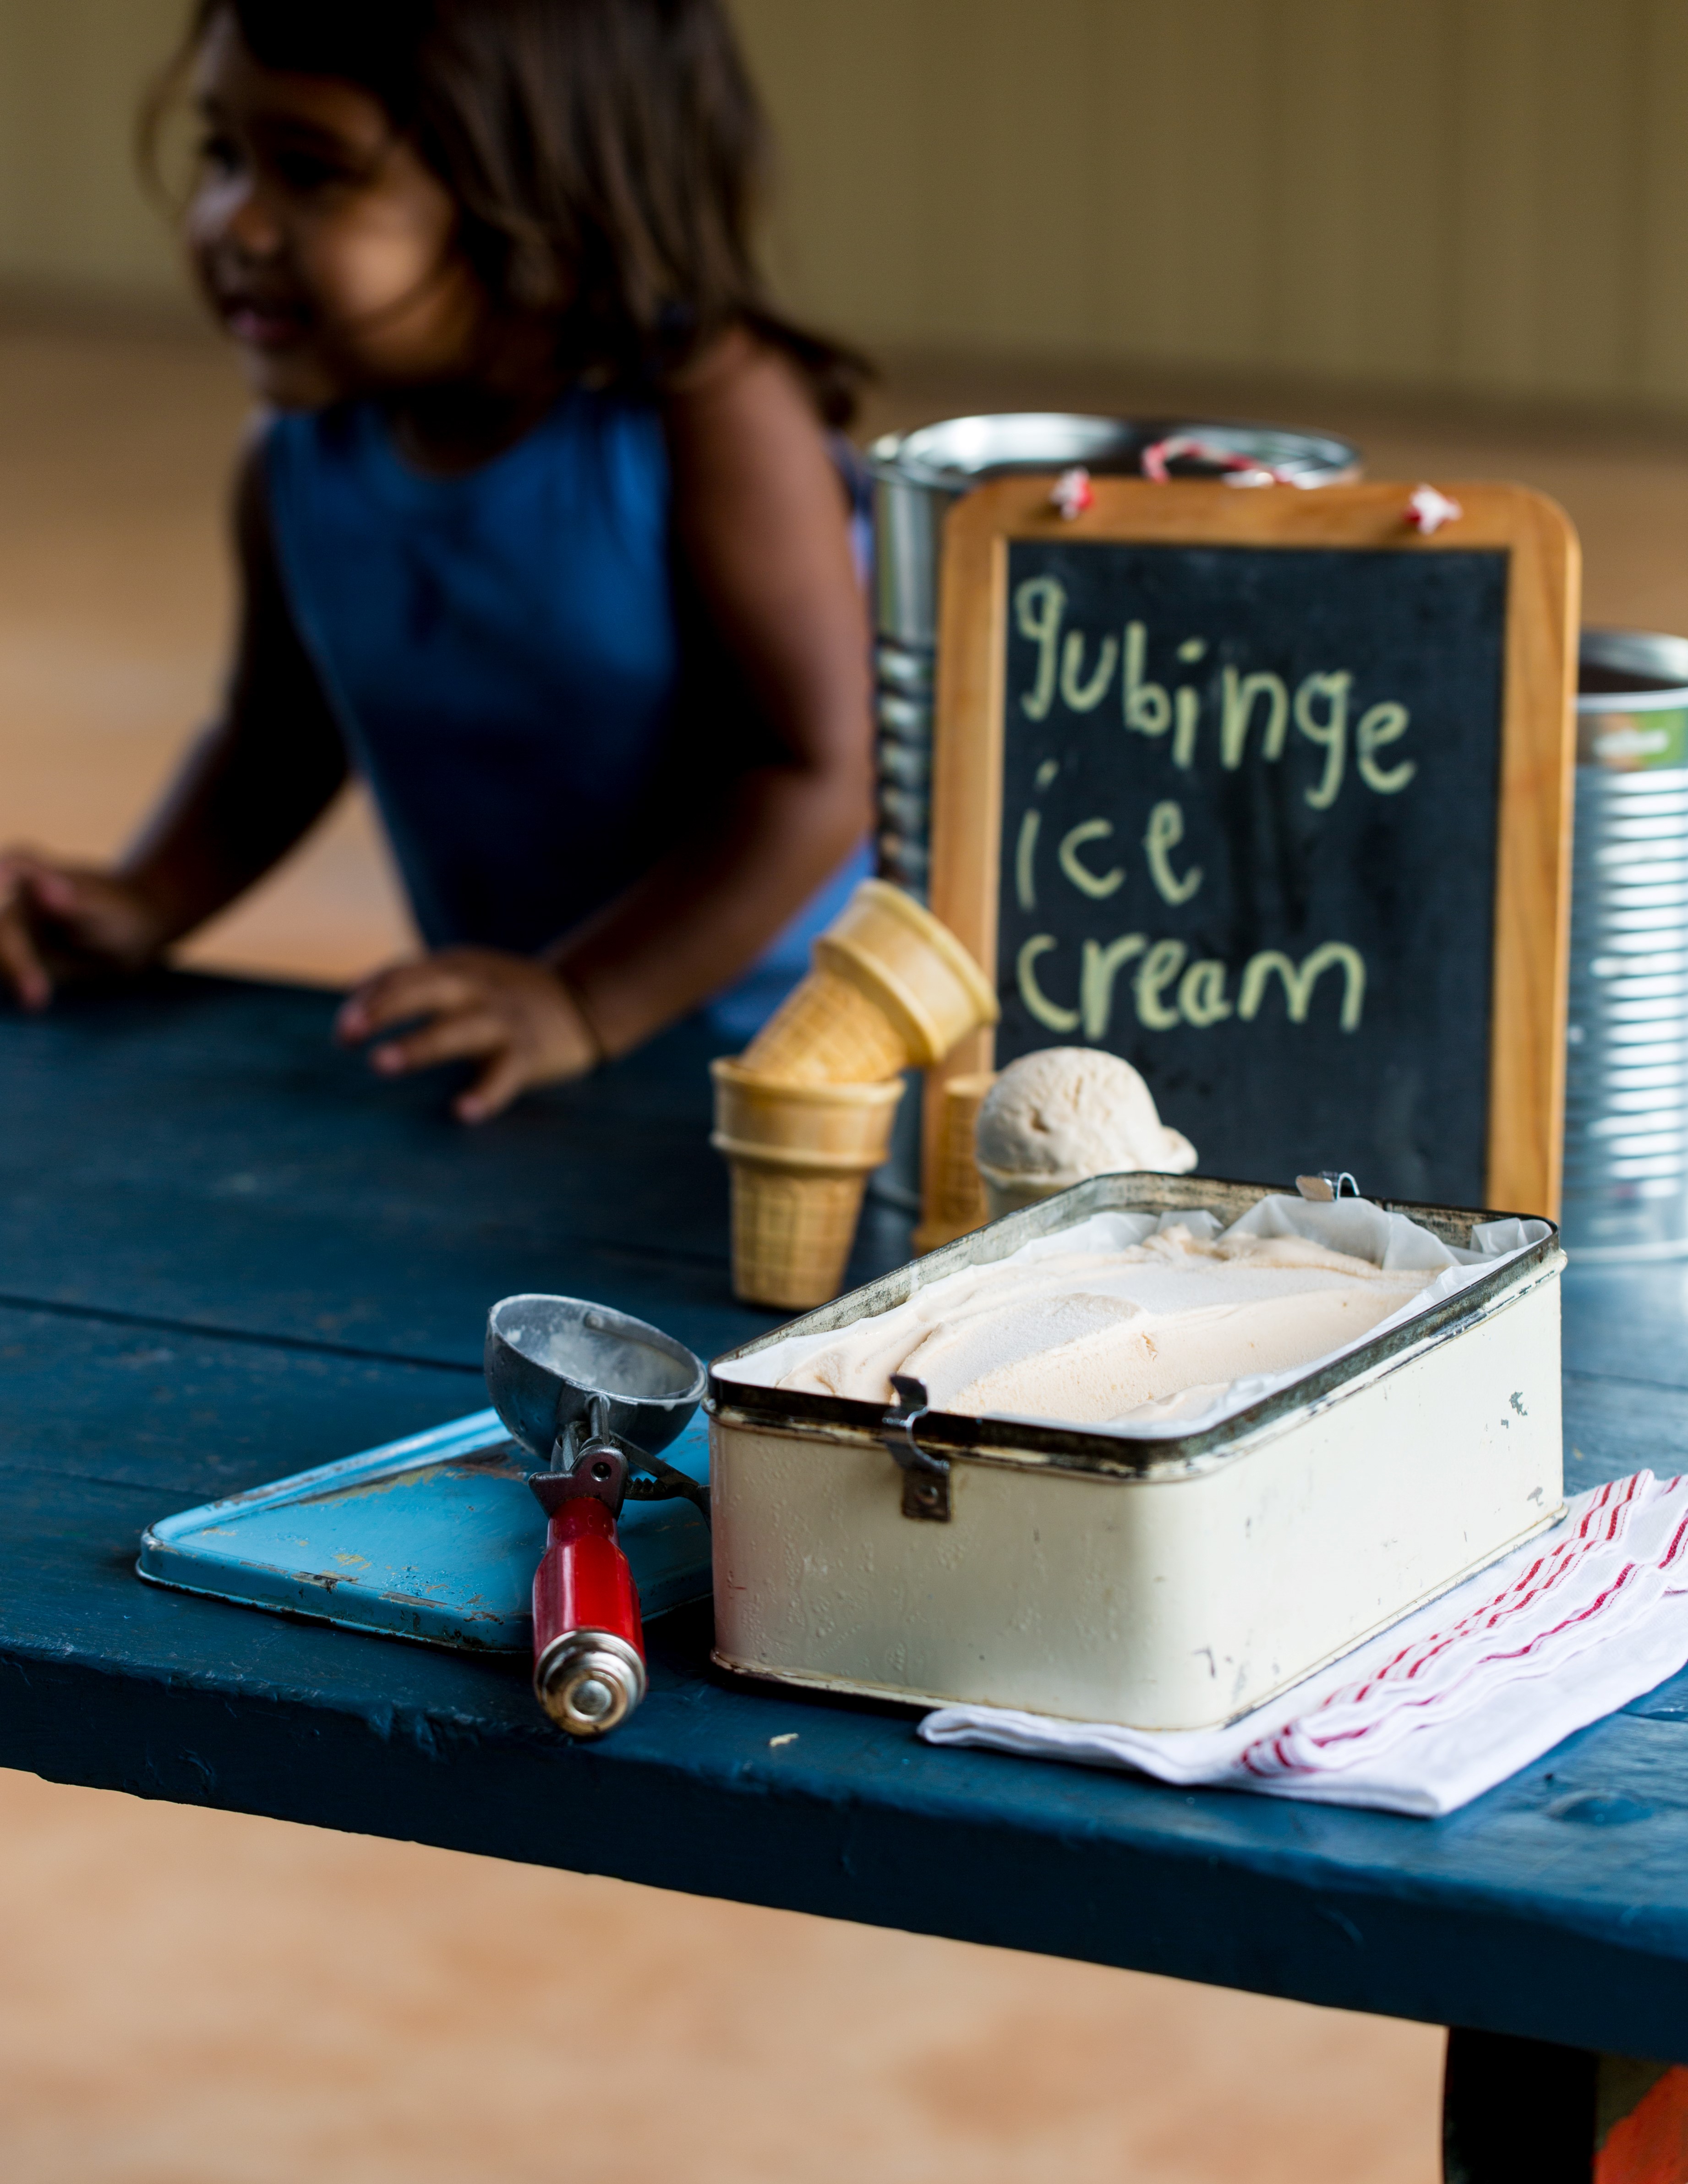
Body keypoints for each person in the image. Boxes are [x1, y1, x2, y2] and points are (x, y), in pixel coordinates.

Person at [0, 0, 875, 1122]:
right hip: (535, 1059)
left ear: (540, 199)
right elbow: (279, 738)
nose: (236, 224)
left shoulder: (709, 415)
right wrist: (145, 898)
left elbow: (820, 768)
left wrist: (583, 998)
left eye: (312, 173)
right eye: (223, 154)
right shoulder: (296, 457)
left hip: (804, 1069)